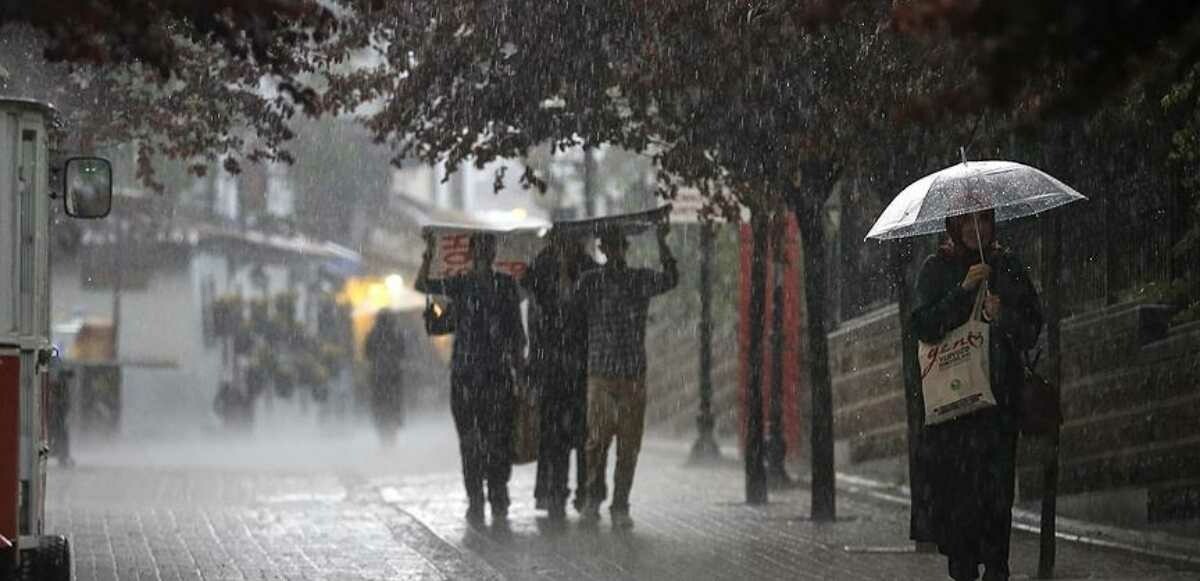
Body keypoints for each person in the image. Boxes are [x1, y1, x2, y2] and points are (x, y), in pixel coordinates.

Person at [911, 209, 1043, 581]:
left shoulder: (1006, 265)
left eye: (982, 219)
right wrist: (963, 292)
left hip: (997, 409)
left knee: (997, 502)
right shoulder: (937, 268)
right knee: (959, 508)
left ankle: (996, 568)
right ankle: (964, 567)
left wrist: (1002, 315)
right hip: (953, 413)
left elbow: (1032, 327)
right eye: (966, 221)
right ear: (953, 226)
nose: (975, 229)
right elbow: (923, 326)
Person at [572, 221, 678, 529]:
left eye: (618, 245)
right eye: (609, 245)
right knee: (597, 441)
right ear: (603, 249)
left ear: (624, 248)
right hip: (601, 373)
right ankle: (593, 497)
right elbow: (569, 310)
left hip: (631, 373)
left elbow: (671, 278)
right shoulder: (589, 281)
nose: (614, 251)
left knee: (629, 444)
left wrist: (662, 243)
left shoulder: (639, 279)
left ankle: (620, 504)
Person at [416, 232, 526, 525]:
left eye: (488, 249)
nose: (484, 255)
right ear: (471, 254)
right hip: (466, 376)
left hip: (497, 375)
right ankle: (476, 498)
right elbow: (423, 286)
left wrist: (521, 370)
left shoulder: (505, 286)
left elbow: (516, 333)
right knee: (470, 442)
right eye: (479, 250)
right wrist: (429, 253)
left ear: (492, 254)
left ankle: (498, 494)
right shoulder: (461, 285)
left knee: (498, 440)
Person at [522, 231, 603, 521]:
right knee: (553, 436)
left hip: (581, 367)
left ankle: (585, 492)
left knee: (583, 436)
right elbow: (532, 305)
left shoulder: (589, 269)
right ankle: (554, 492)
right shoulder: (542, 267)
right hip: (552, 368)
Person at [365, 310, 407, 445]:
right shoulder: (396, 333)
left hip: (377, 375)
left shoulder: (372, 334)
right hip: (394, 374)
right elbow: (403, 351)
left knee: (379, 404)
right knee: (394, 403)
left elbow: (367, 353)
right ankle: (393, 430)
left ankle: (382, 433)